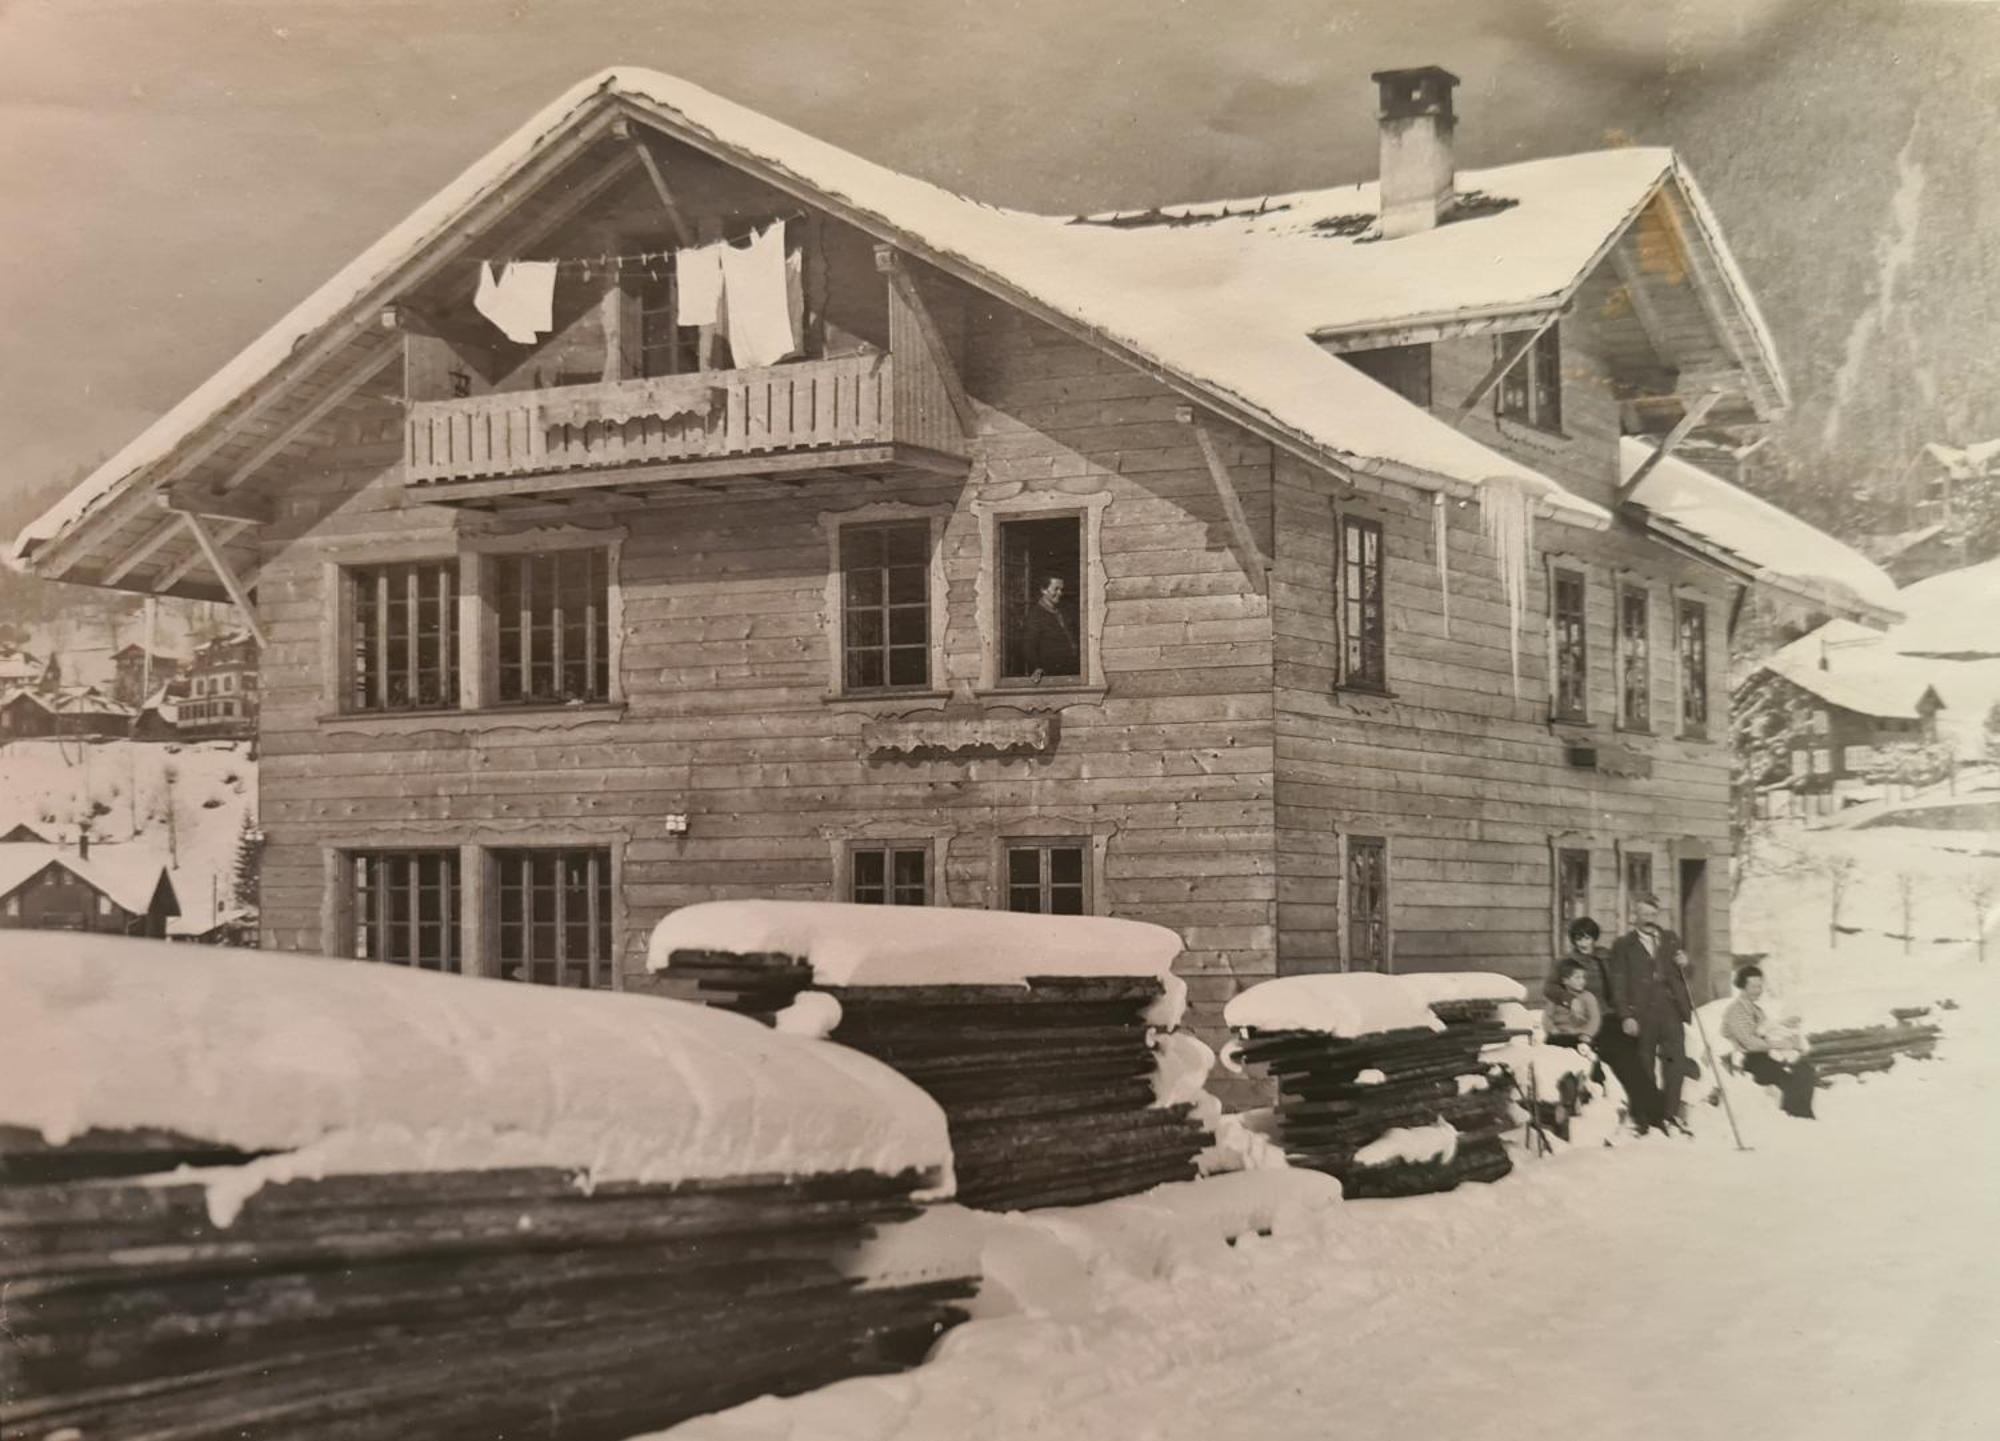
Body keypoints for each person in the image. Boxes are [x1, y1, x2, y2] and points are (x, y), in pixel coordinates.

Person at [1606, 892, 1694, 1135]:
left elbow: (1686, 975)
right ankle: (1646, 1117)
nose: (1649, 918)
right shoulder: (1623, 945)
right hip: (1641, 1013)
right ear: (1634, 916)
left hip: (1671, 1011)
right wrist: (1626, 1016)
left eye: (1653, 914)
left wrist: (1686, 963)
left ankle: (1670, 1114)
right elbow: (1618, 984)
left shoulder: (1670, 940)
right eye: (1643, 914)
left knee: (1675, 1063)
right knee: (1644, 1065)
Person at [1722, 966, 1818, 1119]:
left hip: (1767, 1054)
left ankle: (1803, 1113)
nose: (1759, 990)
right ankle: (1793, 1116)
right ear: (1742, 986)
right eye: (1754, 986)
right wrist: (1780, 1045)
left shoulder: (1758, 1010)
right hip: (1748, 1060)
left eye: (1760, 986)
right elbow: (1748, 1042)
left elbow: (1770, 1032)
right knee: (1785, 1075)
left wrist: (1790, 1040)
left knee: (1805, 1068)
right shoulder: (1735, 1011)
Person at [1018, 574, 1079, 680]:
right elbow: (1028, 648)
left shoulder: (1064, 612)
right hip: (1051, 675)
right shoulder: (1034, 616)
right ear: (1043, 590)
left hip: (1071, 672)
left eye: (1061, 589)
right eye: (1056, 589)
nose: (1060, 593)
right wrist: (1038, 669)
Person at [1543, 960, 1603, 1047]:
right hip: (1559, 1034)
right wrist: (1552, 1029)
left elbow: (1595, 1018)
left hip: (1579, 1035)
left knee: (1584, 1050)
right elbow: (1547, 1017)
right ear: (1565, 981)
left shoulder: (1588, 997)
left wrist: (1588, 1033)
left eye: (1583, 978)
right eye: (1577, 978)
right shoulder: (1556, 997)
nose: (1582, 981)